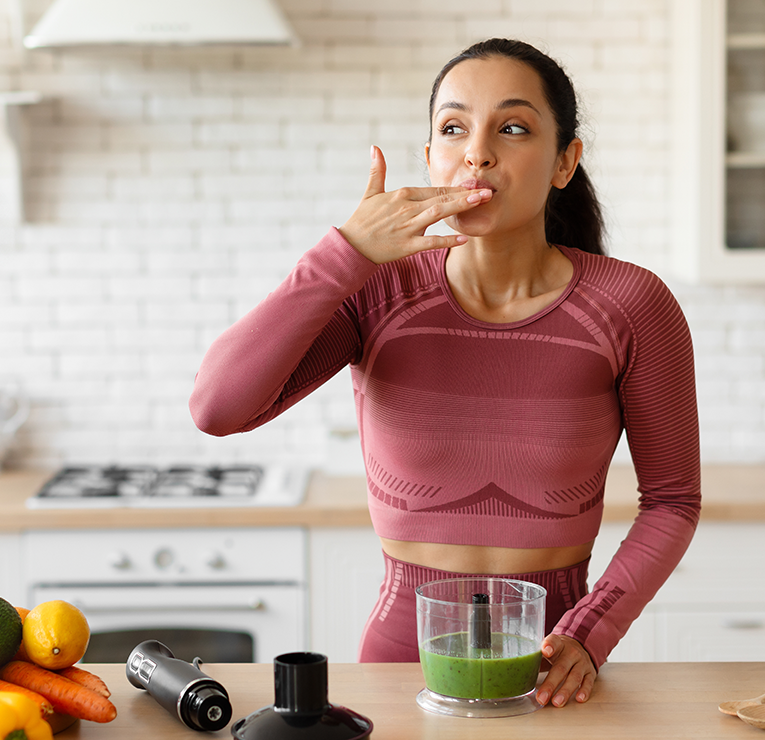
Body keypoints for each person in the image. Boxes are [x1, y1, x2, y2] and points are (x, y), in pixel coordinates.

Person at [189, 38, 700, 708]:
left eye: (512, 128)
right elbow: (217, 407)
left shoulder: (632, 305)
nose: (477, 153)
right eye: (453, 129)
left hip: (553, 680)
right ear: (430, 155)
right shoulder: (376, 292)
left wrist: (592, 630)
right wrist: (343, 254)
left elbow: (672, 503)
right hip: (400, 679)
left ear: (564, 162)